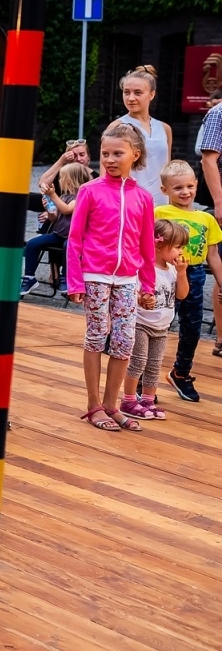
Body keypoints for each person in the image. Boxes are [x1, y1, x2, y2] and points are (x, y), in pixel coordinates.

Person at [67, 122, 157, 432]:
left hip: (128, 280)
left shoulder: (144, 198)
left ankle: (112, 405)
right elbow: (75, 239)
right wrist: (75, 281)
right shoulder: (89, 191)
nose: (110, 159)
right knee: (96, 335)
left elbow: (146, 245)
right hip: (95, 276)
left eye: (117, 153)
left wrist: (148, 284)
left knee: (124, 341)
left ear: (135, 154)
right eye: (105, 153)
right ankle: (93, 406)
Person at [152, 159, 220, 401]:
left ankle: (181, 373)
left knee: (192, 329)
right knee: (158, 327)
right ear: (165, 190)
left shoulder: (207, 219)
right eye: (178, 187)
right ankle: (144, 379)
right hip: (164, 274)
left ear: (196, 185)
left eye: (190, 186)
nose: (185, 192)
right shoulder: (159, 214)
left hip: (195, 275)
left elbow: (212, 255)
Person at [124, 219, 187, 422]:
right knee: (138, 362)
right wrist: (142, 299)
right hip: (141, 323)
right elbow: (131, 293)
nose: (180, 252)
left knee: (154, 365)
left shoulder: (171, 270)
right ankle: (129, 400)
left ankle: (148, 401)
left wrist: (182, 273)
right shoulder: (142, 267)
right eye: (177, 247)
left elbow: (182, 295)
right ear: (159, 245)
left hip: (162, 327)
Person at [22, 162, 90, 296]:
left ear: (69, 180)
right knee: (32, 244)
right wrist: (49, 210)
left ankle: (65, 276)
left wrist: (53, 196)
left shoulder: (80, 198)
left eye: (62, 178)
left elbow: (66, 210)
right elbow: (55, 218)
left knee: (69, 246)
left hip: (73, 238)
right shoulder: (63, 197)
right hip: (58, 234)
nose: (59, 181)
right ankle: (29, 277)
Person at [117, 65, 172, 205]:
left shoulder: (165, 129)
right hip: (130, 202)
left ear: (151, 94)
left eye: (137, 93)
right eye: (126, 92)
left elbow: (168, 170)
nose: (131, 98)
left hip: (161, 202)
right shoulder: (117, 127)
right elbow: (106, 173)